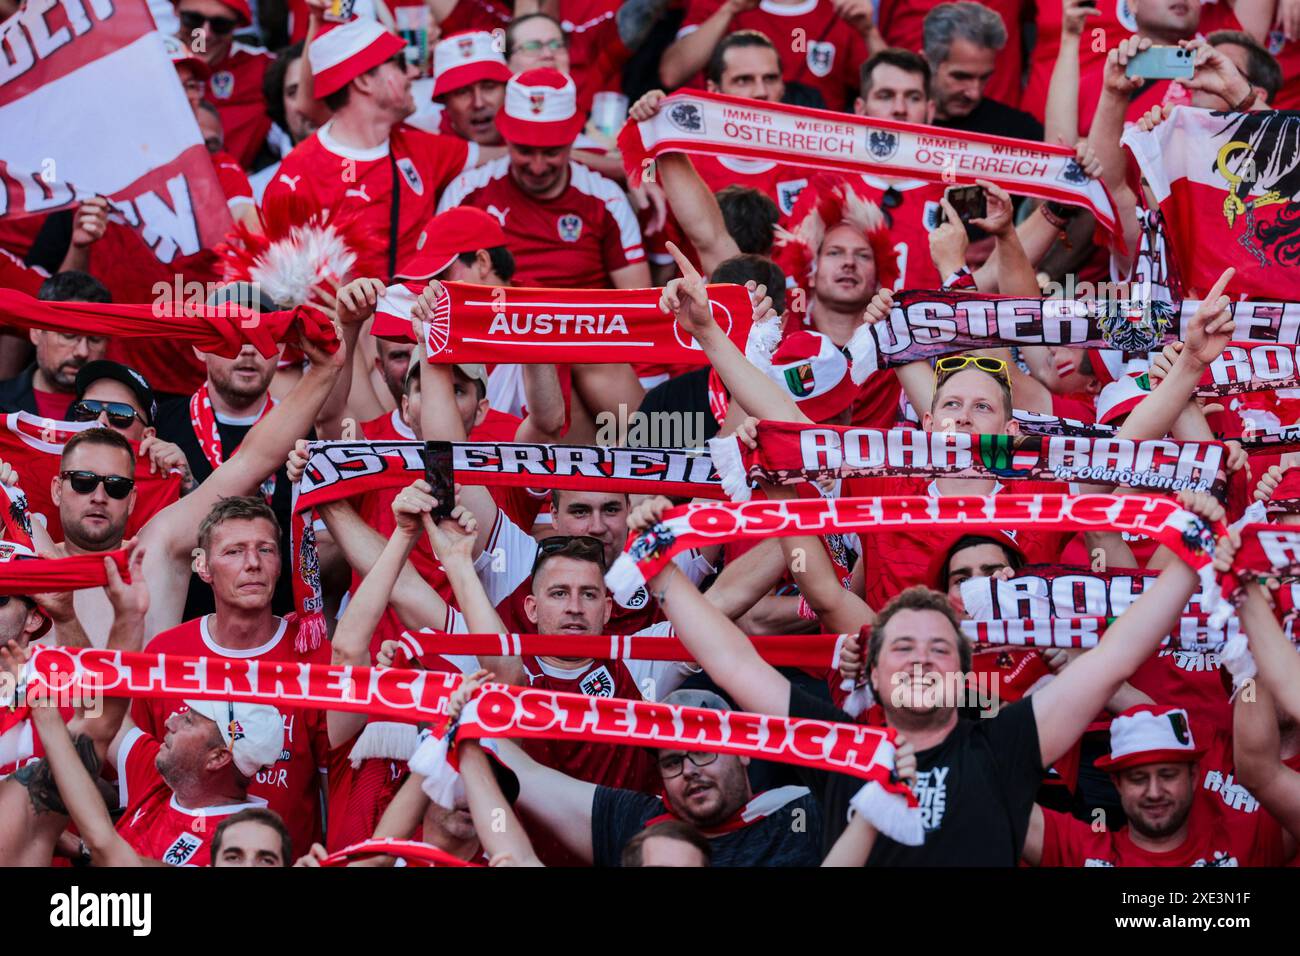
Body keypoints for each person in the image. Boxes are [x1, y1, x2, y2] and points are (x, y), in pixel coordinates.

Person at [631, 490, 1234, 863]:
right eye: (903, 648)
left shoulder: (1005, 744)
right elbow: (734, 660)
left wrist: (1188, 556)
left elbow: (1115, 657)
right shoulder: (840, 744)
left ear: (963, 669)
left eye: (937, 648)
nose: (919, 659)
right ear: (872, 669)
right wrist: (659, 571)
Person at [131, 496, 332, 857]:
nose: (253, 564)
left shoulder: (313, 655)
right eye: (234, 552)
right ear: (203, 566)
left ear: (280, 563)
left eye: (266, 550)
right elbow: (144, 771)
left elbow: (333, 783)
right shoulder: (166, 653)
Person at [264, 16, 487, 280]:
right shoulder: (297, 178)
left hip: (420, 316)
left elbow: (511, 153)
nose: (414, 73)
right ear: (363, 82)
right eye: (401, 63)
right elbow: (282, 289)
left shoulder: (422, 146)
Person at [436, 68, 650, 289]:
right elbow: (440, 293)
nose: (537, 167)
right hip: (494, 321)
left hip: (582, 323)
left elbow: (637, 302)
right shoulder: (466, 192)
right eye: (524, 151)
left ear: (572, 142)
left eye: (551, 152)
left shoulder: (607, 200)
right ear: (506, 139)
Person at [1022, 705, 1291, 866]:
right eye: (1138, 778)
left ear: (1194, 776)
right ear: (1116, 784)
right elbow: (985, 782)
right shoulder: (1083, 851)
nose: (1153, 792)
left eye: (1167, 775)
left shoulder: (1245, 842)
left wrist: (1249, 675)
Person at [660, 0, 876, 112]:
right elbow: (672, 73)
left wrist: (869, 31)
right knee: (646, 172)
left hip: (814, 159)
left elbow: (896, 92)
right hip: (728, 151)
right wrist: (730, 9)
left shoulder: (842, 9)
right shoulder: (723, 4)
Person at [175, 0, 275, 168]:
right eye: (193, 19)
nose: (204, 34)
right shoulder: (147, 62)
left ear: (237, 25)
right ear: (176, 11)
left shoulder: (262, 67)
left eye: (220, 24)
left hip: (236, 185)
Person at [923, 1, 1043, 140]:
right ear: (927, 63)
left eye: (984, 78)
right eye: (961, 77)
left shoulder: (1018, 131)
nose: (974, 93)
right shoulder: (899, 121)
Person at [0, 272, 110, 418]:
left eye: (95, 339)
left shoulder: (120, 415)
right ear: (36, 332)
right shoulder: (2, 399)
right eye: (68, 335)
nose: (82, 352)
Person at [430, 31, 512, 146]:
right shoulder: (425, 157)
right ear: (445, 103)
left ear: (508, 91)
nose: (479, 104)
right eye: (462, 92)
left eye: (488, 87)